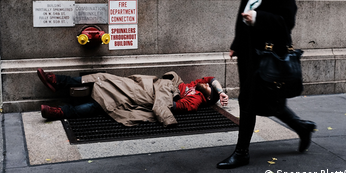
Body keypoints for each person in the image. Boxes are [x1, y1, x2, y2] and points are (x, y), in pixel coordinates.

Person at [216, 0, 316, 169]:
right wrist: (236, 43)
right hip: (250, 50)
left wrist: (259, 18)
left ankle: (242, 153)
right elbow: (244, 9)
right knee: (265, 100)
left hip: (267, 52)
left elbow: (287, 21)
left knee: (250, 101)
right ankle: (302, 127)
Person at [37, 68, 229, 127]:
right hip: (144, 85)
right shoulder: (194, 85)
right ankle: (59, 82)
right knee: (103, 78)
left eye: (208, 87)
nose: (206, 82)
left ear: (207, 97)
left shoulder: (194, 100)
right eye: (206, 83)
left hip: (144, 97)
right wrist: (220, 92)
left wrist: (212, 95)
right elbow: (212, 78)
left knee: (107, 104)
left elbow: (167, 106)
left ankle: (60, 111)